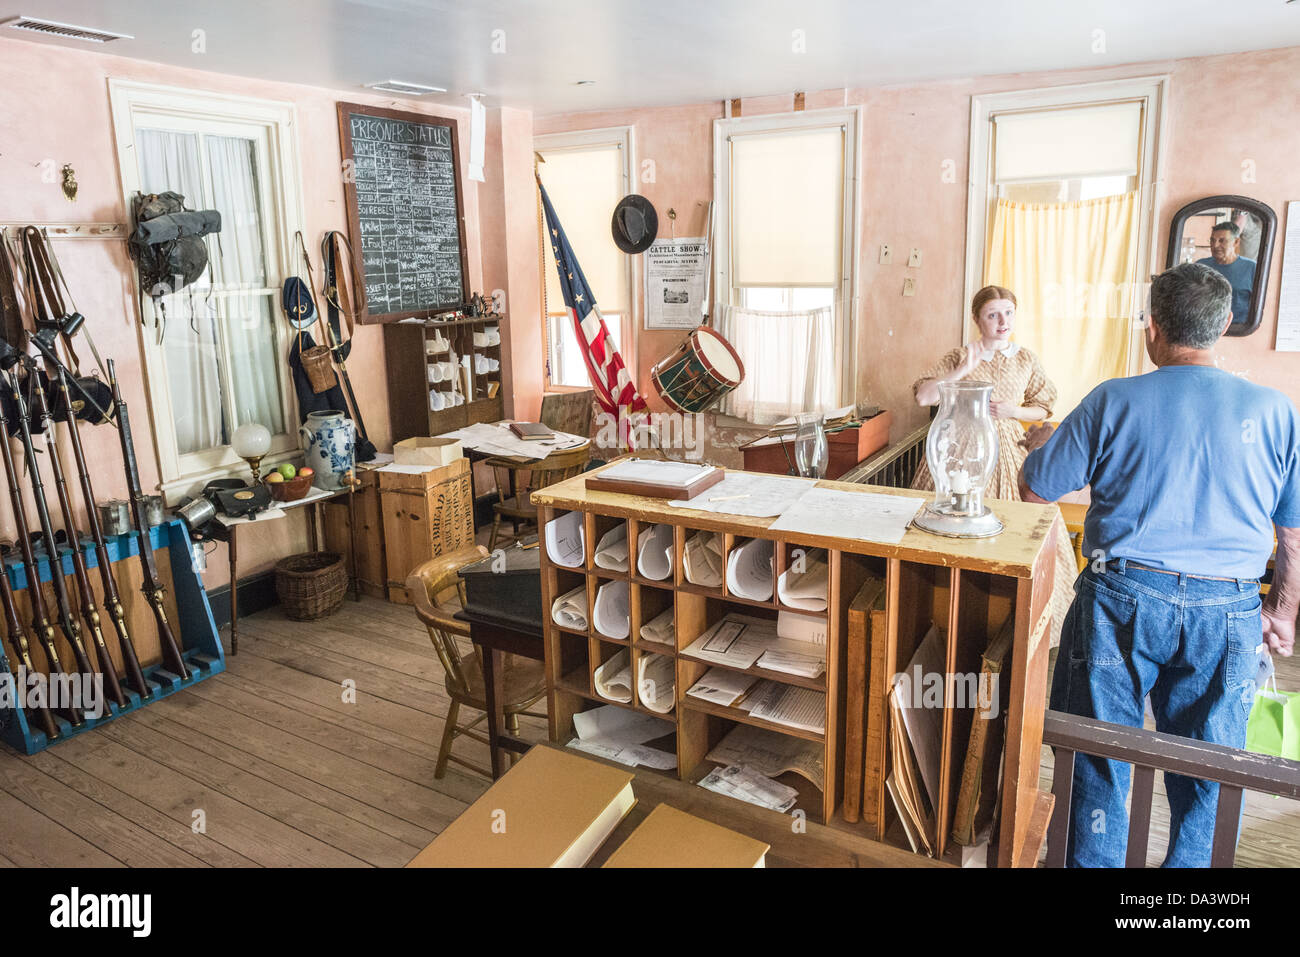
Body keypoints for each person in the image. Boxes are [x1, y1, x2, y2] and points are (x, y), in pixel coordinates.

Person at [1019, 262, 1299, 868]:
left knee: (1099, 754)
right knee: (1212, 767)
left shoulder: (1112, 399)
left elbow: (1036, 488)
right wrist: (1283, 610)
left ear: (1151, 328)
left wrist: (1045, 444)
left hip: (1120, 600)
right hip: (1228, 610)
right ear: (1224, 325)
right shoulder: (1275, 411)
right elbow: (1292, 528)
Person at [912, 285, 1078, 646]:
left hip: (1009, 448)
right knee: (949, 529)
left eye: (1008, 313)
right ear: (977, 319)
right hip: (958, 451)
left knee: (1017, 532)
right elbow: (926, 395)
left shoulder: (1025, 359)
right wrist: (964, 368)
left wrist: (1014, 412)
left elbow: (1044, 407)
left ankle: (1009, 623)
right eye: (992, 314)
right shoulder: (960, 355)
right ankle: (946, 611)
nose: (1002, 321)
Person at [1196, 221, 1255, 324]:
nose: (1215, 245)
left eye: (1222, 241)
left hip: (1238, 329)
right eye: (1212, 240)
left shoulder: (1251, 268)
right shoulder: (1200, 266)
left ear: (1236, 242)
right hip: (1205, 328)